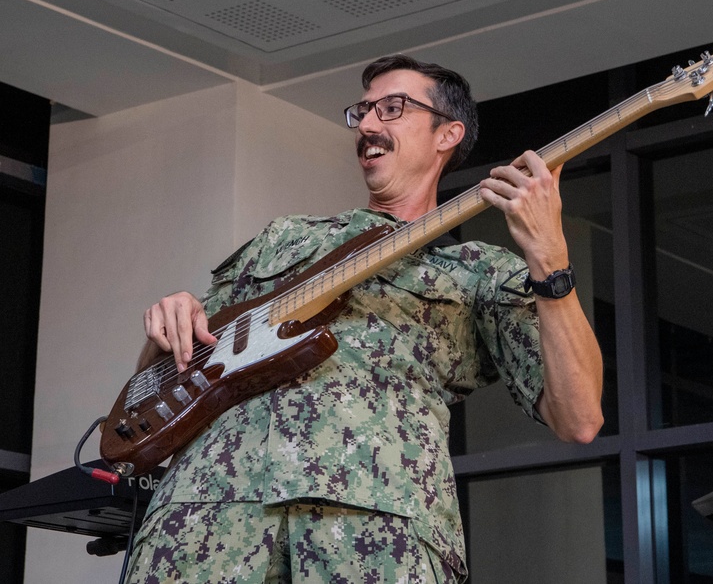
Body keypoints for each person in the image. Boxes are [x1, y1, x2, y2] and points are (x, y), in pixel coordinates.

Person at [124, 55, 604, 583]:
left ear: (448, 134)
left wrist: (551, 260)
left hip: (374, 540)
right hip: (203, 524)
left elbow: (579, 418)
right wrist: (171, 324)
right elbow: (168, 378)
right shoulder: (286, 237)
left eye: (393, 109)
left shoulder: (481, 273)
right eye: (364, 111)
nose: (369, 125)